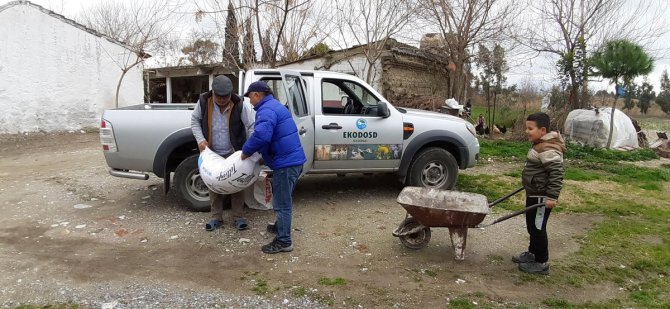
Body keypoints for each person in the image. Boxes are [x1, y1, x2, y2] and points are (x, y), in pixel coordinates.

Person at [240, 81, 306, 254]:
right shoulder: (274, 106)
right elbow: (274, 136)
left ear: (256, 95)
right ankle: (279, 226)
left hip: (286, 164)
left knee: (282, 203)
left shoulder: (266, 110)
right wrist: (264, 157)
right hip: (291, 160)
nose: (250, 101)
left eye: (250, 97)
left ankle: (284, 241)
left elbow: (262, 136)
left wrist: (245, 152)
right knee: (282, 197)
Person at [191, 75, 255, 231]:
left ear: (230, 94)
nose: (221, 100)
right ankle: (216, 217)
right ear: (213, 92)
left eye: (225, 96)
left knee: (237, 184)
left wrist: (248, 147)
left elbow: (252, 126)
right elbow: (194, 121)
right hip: (212, 152)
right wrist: (200, 140)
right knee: (214, 184)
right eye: (218, 96)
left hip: (234, 152)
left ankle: (238, 217)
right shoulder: (203, 102)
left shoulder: (240, 104)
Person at [513, 112, 566, 275]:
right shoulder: (541, 143)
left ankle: (541, 262)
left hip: (542, 197)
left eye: (530, 128)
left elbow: (556, 173)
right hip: (535, 193)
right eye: (526, 128)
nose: (527, 131)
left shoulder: (548, 147)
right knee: (532, 225)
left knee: (537, 227)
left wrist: (551, 197)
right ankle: (533, 253)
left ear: (542, 130)